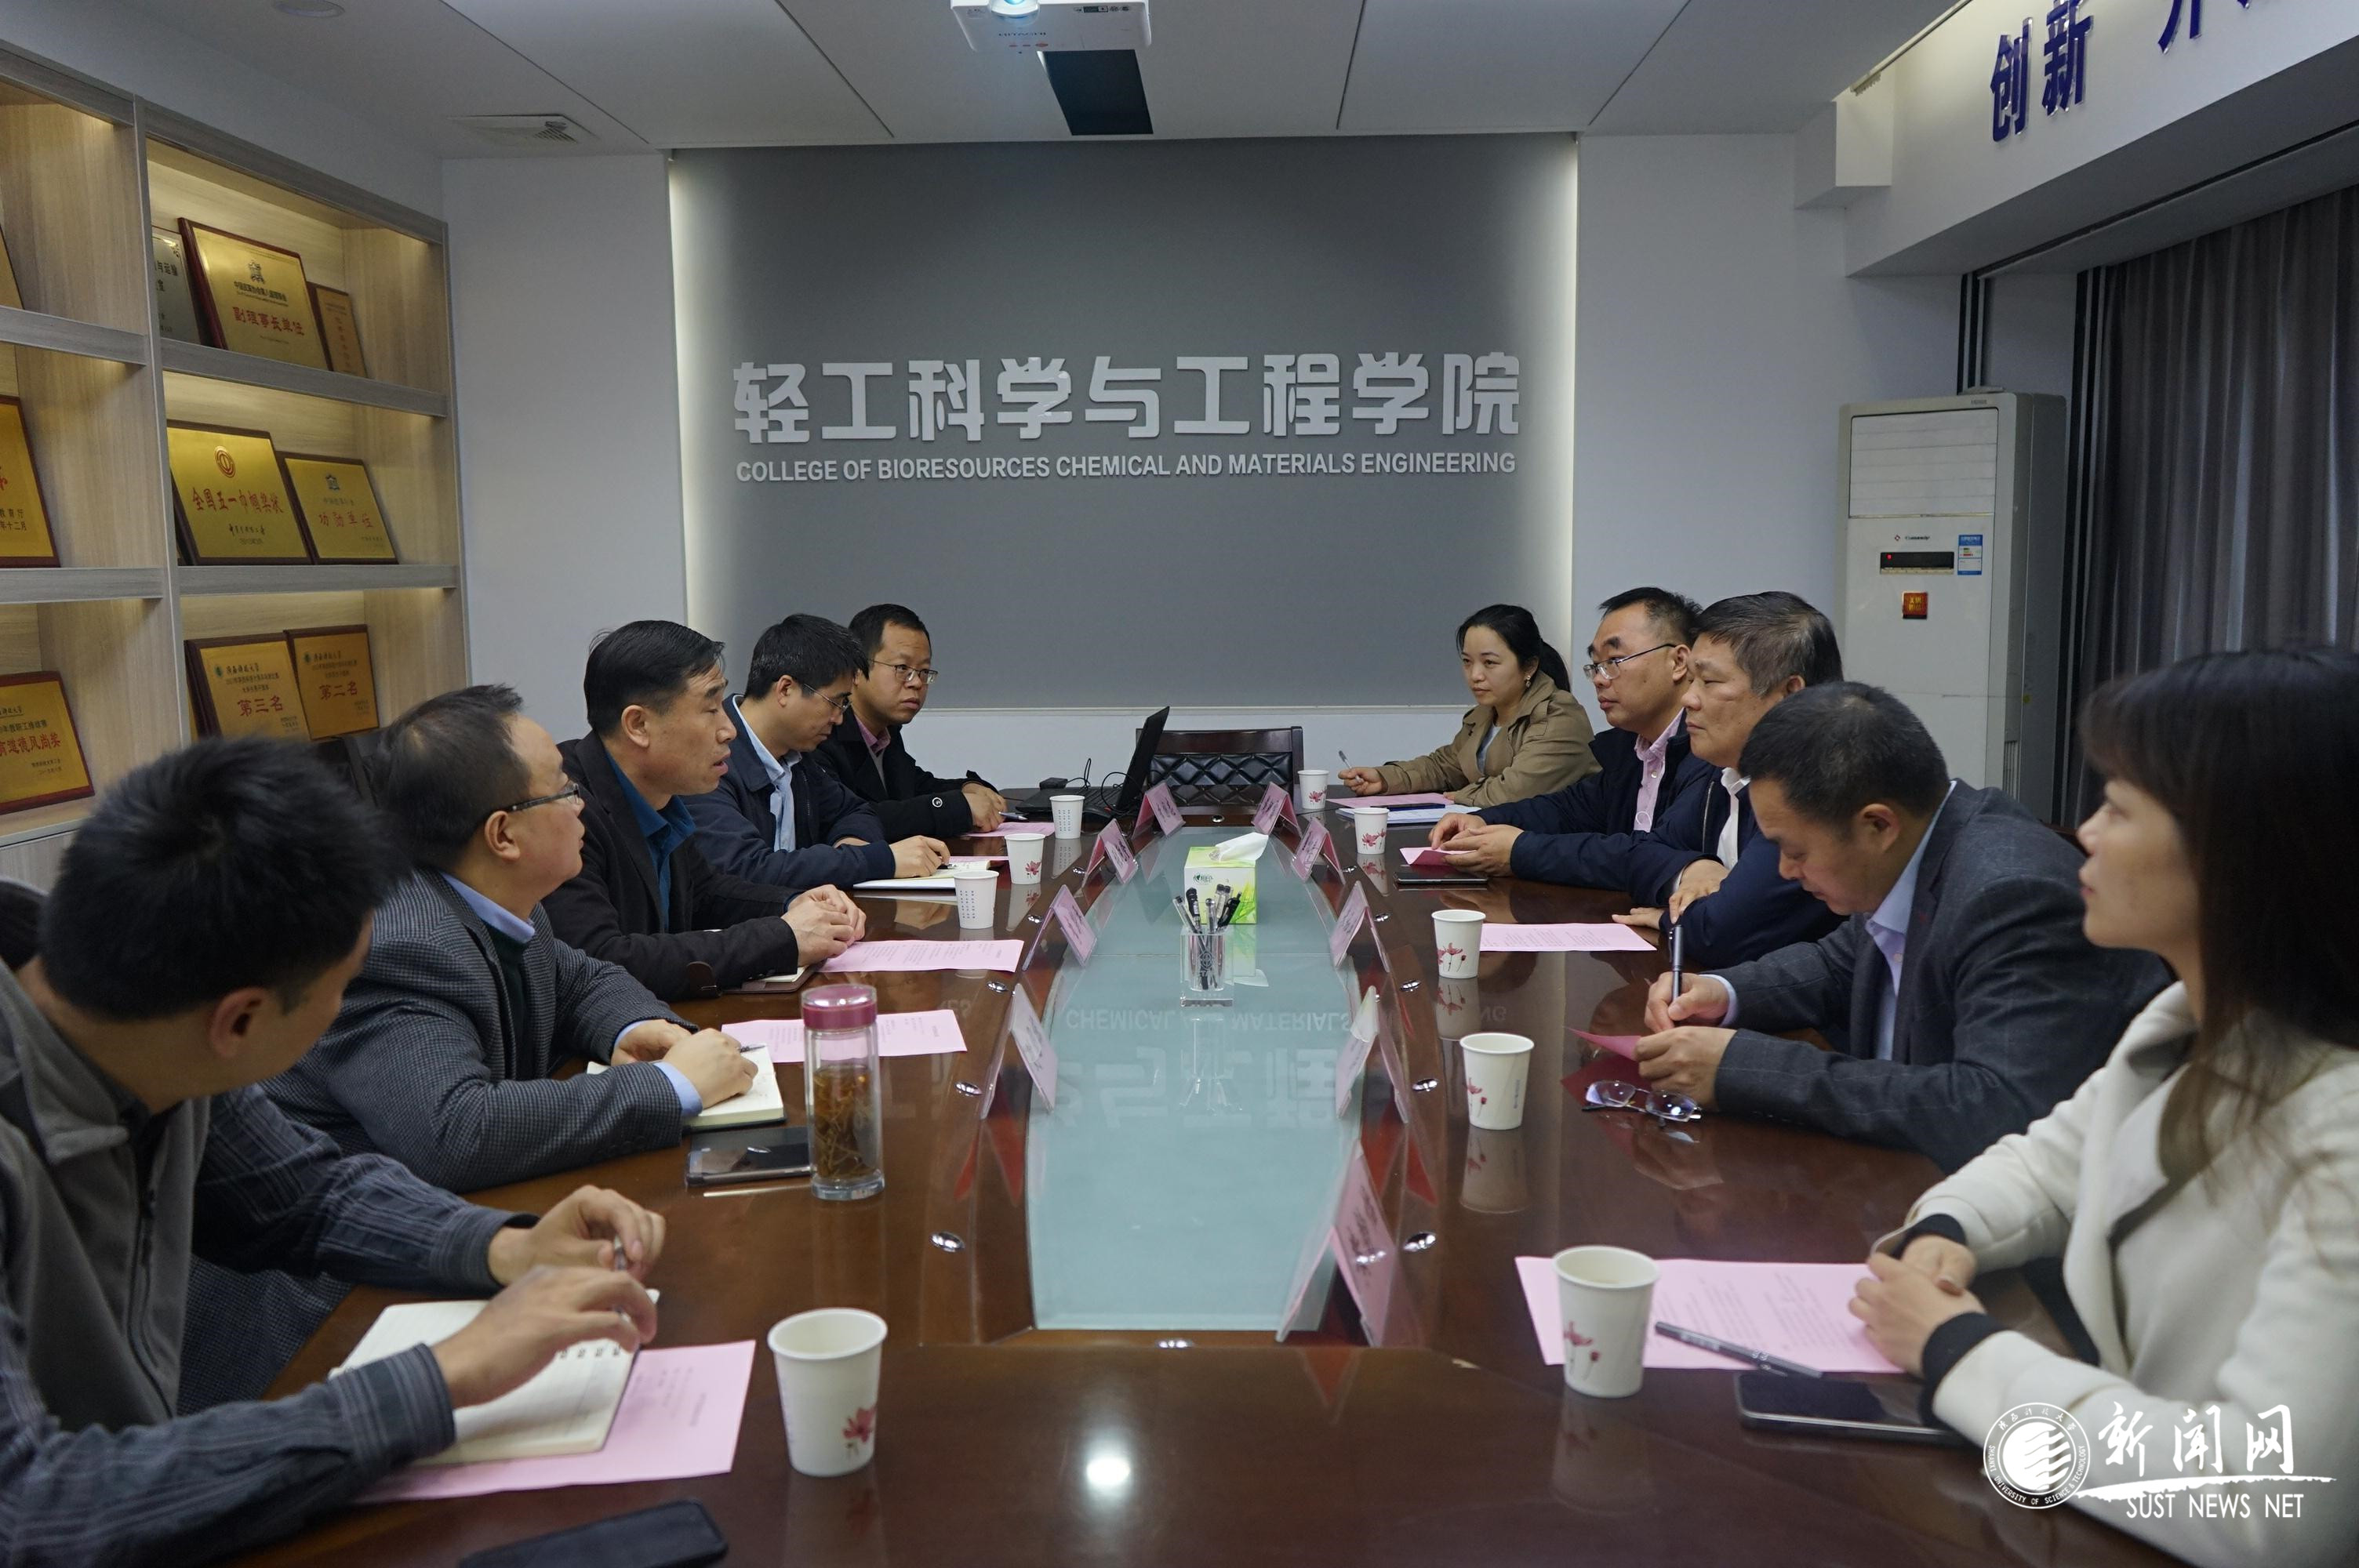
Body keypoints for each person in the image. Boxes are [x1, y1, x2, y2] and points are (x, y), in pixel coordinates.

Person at [0, 736, 670, 1565]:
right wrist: (442, 1376)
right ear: (240, 1021)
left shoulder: (147, 1016)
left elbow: (303, 1195)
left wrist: (506, 1245)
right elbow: (32, 1505)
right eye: (340, 988)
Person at [1848, 651, 2359, 1567]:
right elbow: (2045, 1162)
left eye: (2119, 807)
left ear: (2239, 851)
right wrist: (1949, 1226)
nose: (2084, 832)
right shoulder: (2190, 1022)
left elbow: (2264, 1497)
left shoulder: (2341, 1125)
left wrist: (1957, 1349)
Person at [1636, 682, 2165, 1171]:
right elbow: (1838, 963)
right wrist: (1723, 991)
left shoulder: (2008, 895)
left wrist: (1746, 1067)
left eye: (1794, 850)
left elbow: (1993, 1105)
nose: (1785, 871)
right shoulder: (1917, 849)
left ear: (1877, 825)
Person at [268, 684, 760, 1193]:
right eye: (564, 789)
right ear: (502, 835)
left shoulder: (496, 896)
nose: (581, 805)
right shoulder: (400, 946)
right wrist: (670, 1085)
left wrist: (635, 1028)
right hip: (350, 1234)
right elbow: (456, 1132)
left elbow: (581, 980)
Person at [543, 623, 863, 999]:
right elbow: (601, 959)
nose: (729, 730)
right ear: (639, 725)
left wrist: (791, 903)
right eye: (711, 709)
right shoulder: (564, 809)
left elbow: (705, 892)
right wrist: (783, 938)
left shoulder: (659, 792)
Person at [1594, 590, 1847, 967]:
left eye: (1709, 682)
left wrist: (1668, 919)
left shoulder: (1817, 786)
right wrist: (1691, 870)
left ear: (1789, 694)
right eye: (1691, 680)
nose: (1688, 700)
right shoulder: (1722, 771)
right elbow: (1641, 853)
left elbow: (1722, 932)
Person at [1427, 586, 1715, 879]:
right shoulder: (1629, 749)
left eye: (1614, 661)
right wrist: (1484, 821)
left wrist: (1520, 851)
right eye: (1596, 665)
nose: (1599, 680)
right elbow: (1567, 809)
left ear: (1679, 662)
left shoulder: (1709, 753)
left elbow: (1654, 855)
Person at [687, 614, 950, 892]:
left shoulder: (797, 758)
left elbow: (855, 810)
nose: (839, 719)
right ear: (786, 689)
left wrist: (852, 843)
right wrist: (872, 860)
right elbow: (746, 869)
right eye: (835, 703)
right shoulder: (711, 760)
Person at [1336, 604, 1598, 808]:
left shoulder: (1560, 717)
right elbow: (1446, 767)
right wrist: (1385, 778)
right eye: (1467, 662)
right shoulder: (1485, 714)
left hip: (1556, 847)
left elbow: (1516, 792)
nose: (1475, 675)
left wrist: (1458, 797)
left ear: (1529, 666)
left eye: (1490, 663)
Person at [810, 603, 1005, 839]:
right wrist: (956, 807)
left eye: (924, 671)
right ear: (857, 670)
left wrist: (968, 788)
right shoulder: (823, 733)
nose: (917, 682)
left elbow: (916, 788)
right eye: (902, 668)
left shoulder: (886, 731)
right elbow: (851, 816)